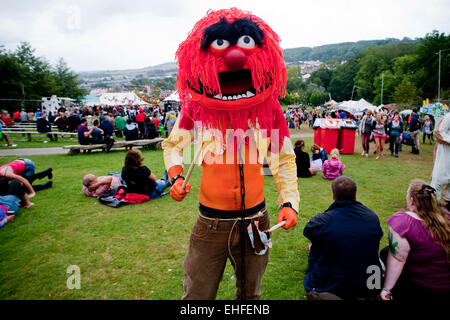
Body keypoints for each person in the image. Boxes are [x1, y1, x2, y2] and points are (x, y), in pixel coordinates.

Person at [303, 176, 383, 300]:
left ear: (334, 196)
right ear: (354, 194)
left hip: (333, 285)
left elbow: (308, 230)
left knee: (316, 246)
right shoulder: (372, 217)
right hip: (369, 284)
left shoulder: (322, 221)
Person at [380, 180, 450, 300]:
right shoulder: (445, 216)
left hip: (423, 287)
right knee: (386, 251)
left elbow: (398, 260)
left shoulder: (404, 223)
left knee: (387, 254)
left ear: (411, 200)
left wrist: (386, 289)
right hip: (445, 282)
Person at [430, 113, 450, 209]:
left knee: (448, 201)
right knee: (435, 196)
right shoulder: (448, 117)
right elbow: (438, 133)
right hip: (443, 165)